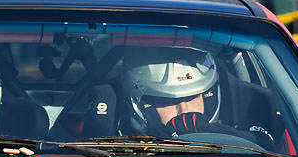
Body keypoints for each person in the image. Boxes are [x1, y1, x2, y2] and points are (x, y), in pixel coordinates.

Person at [120, 45, 287, 147]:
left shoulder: (248, 114)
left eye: (192, 98)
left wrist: (209, 132)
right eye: (167, 101)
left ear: (209, 96)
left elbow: (267, 147)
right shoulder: (112, 141)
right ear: (142, 104)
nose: (184, 111)